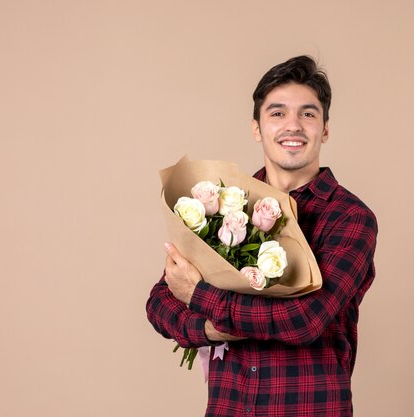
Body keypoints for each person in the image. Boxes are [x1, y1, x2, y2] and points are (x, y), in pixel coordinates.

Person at [146, 55, 378, 417]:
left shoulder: (350, 217)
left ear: (325, 129)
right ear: (257, 128)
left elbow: (306, 320)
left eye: (308, 114)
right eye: (277, 113)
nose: (293, 126)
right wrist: (212, 329)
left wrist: (200, 295)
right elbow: (160, 302)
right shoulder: (222, 204)